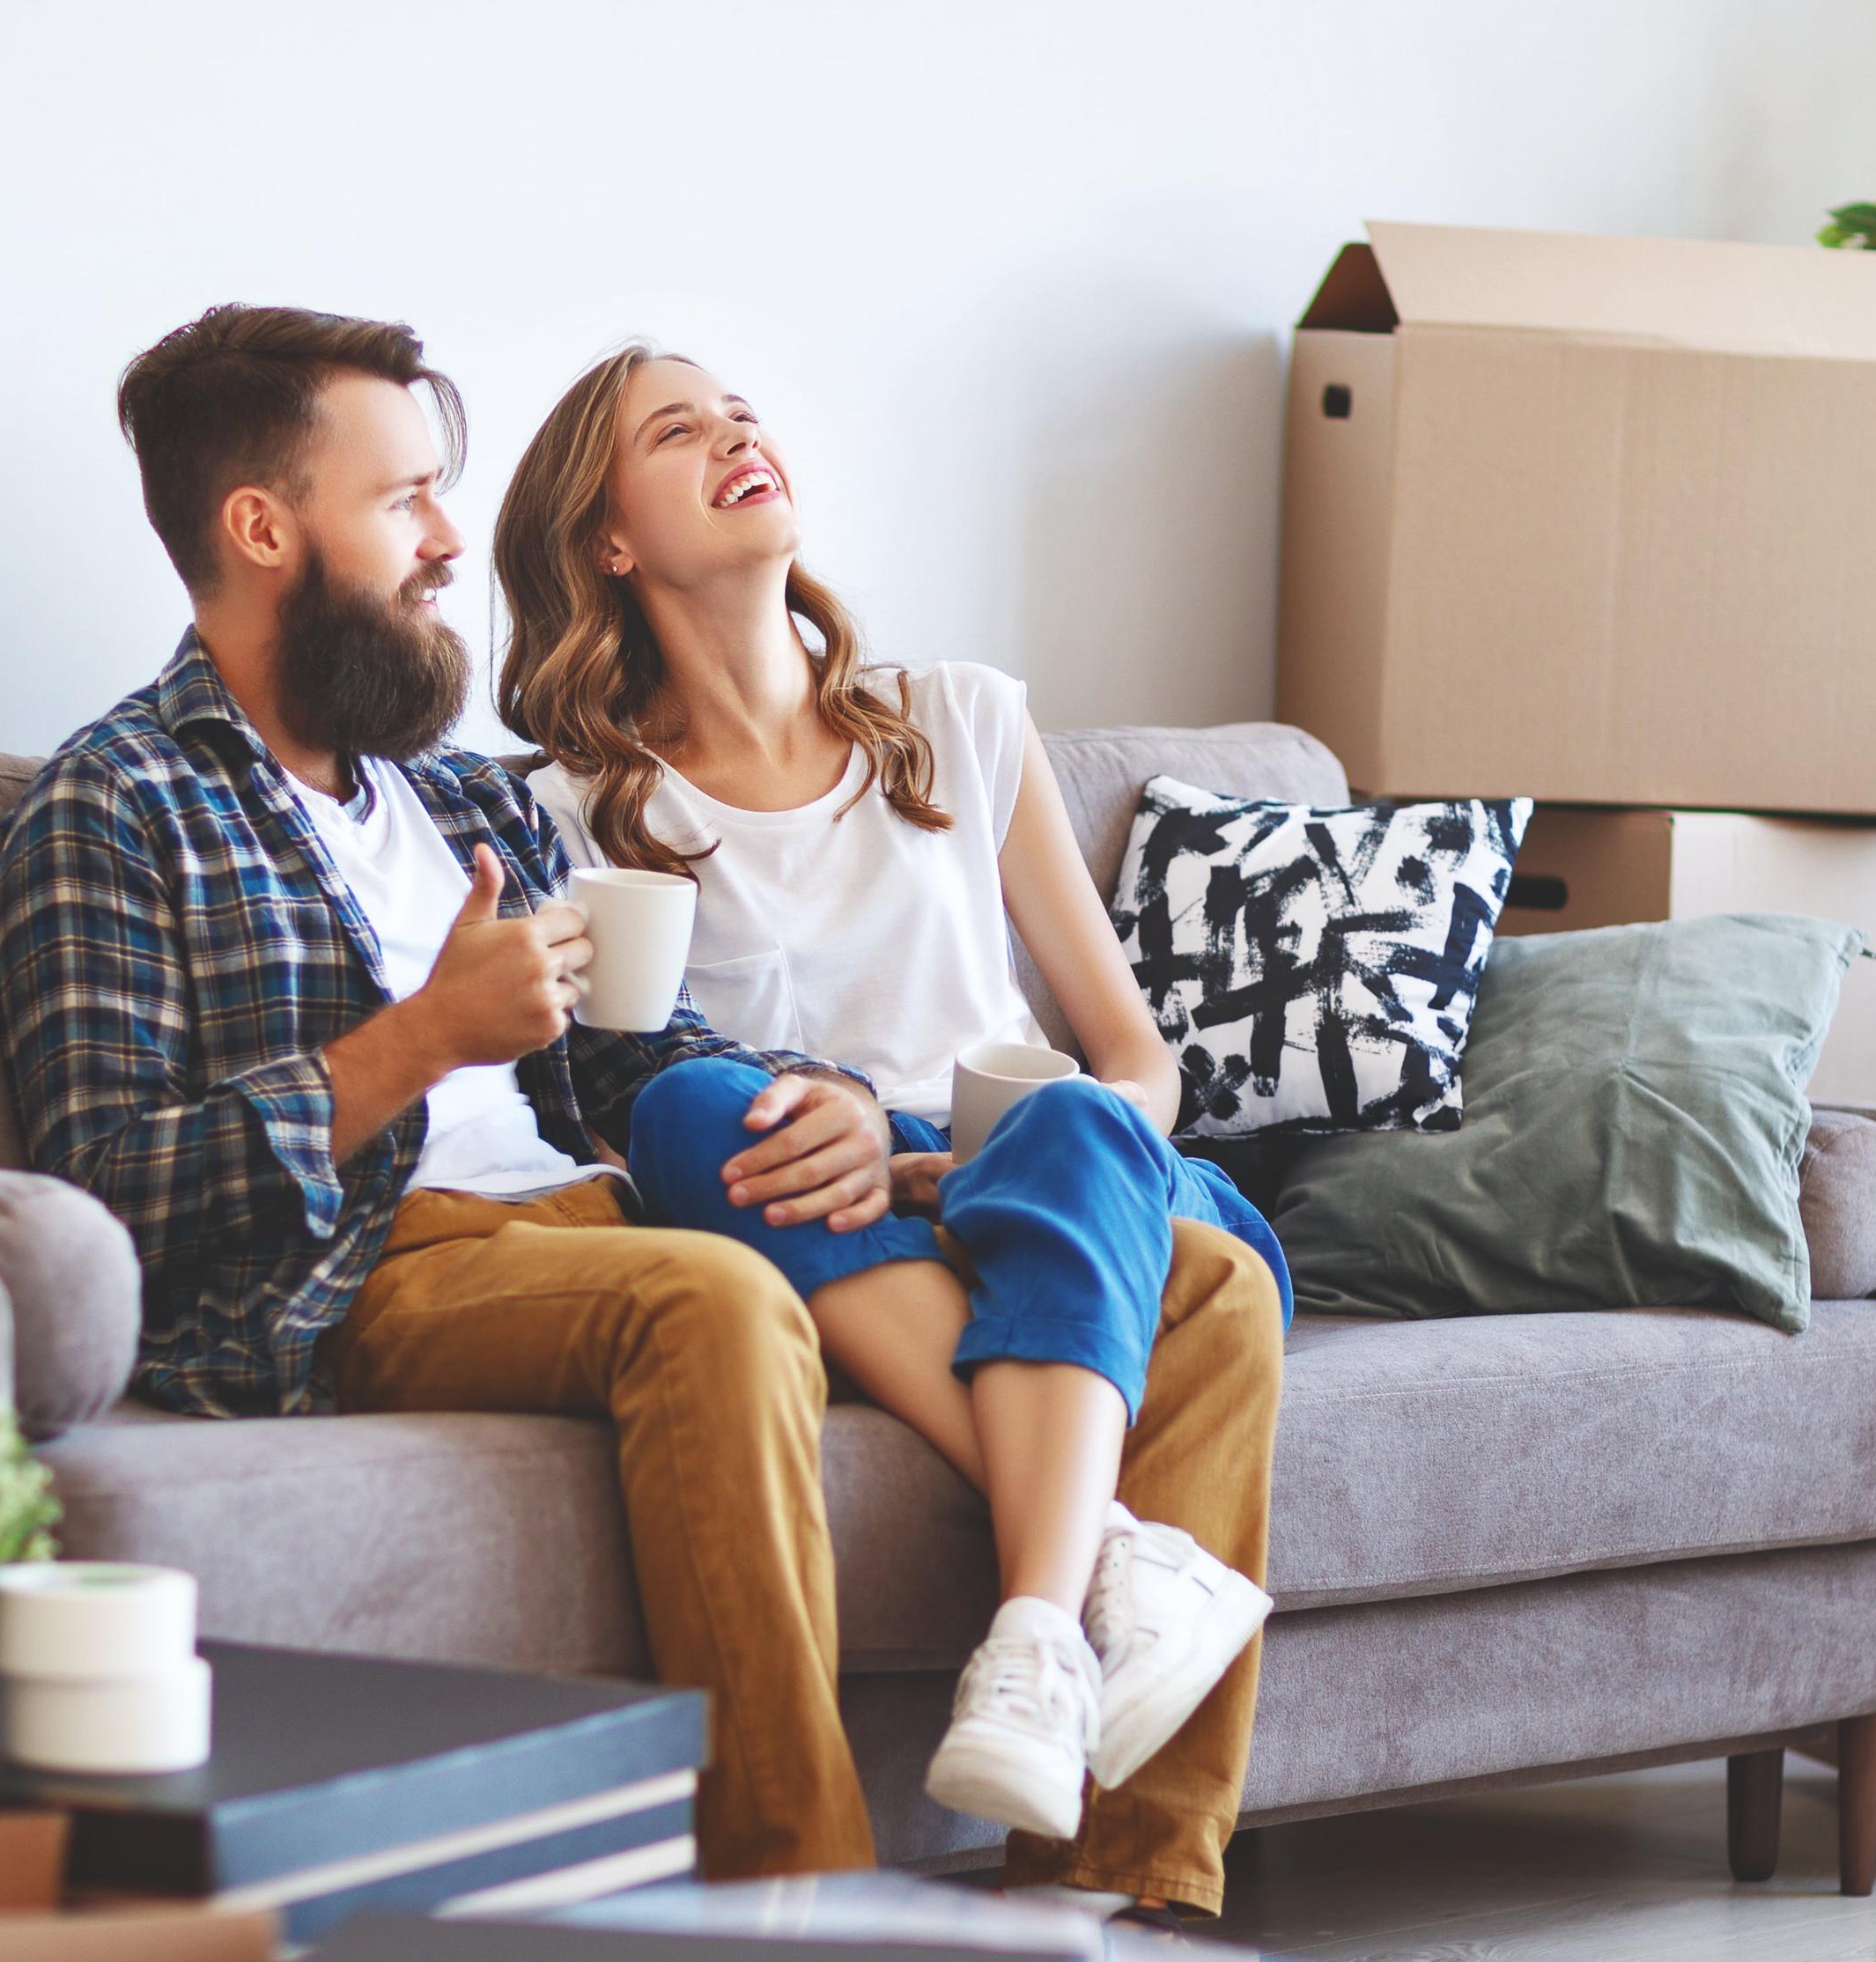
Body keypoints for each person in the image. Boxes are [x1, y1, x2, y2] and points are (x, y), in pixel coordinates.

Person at [0, 306, 905, 1879]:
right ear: (263, 529)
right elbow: (111, 1202)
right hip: (371, 1269)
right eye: (404, 496)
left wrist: (827, 1106)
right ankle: (803, 1902)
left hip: (595, 1215)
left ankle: (1113, 1884)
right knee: (716, 1305)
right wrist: (420, 1039)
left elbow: (639, 1050)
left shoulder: (468, 793)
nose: (443, 540)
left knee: (1145, 1272)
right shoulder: (113, 805)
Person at [495, 343, 1289, 1918]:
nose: (738, 432)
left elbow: (1138, 1066)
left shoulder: (959, 722)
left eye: (743, 409)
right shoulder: (574, 811)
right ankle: (1097, 1581)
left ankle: (1085, 1825)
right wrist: (843, 1134)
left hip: (1044, 1176)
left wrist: (933, 1142)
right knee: (687, 1106)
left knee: (1084, 1135)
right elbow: (607, 1102)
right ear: (608, 540)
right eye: (679, 429)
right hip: (818, 1214)